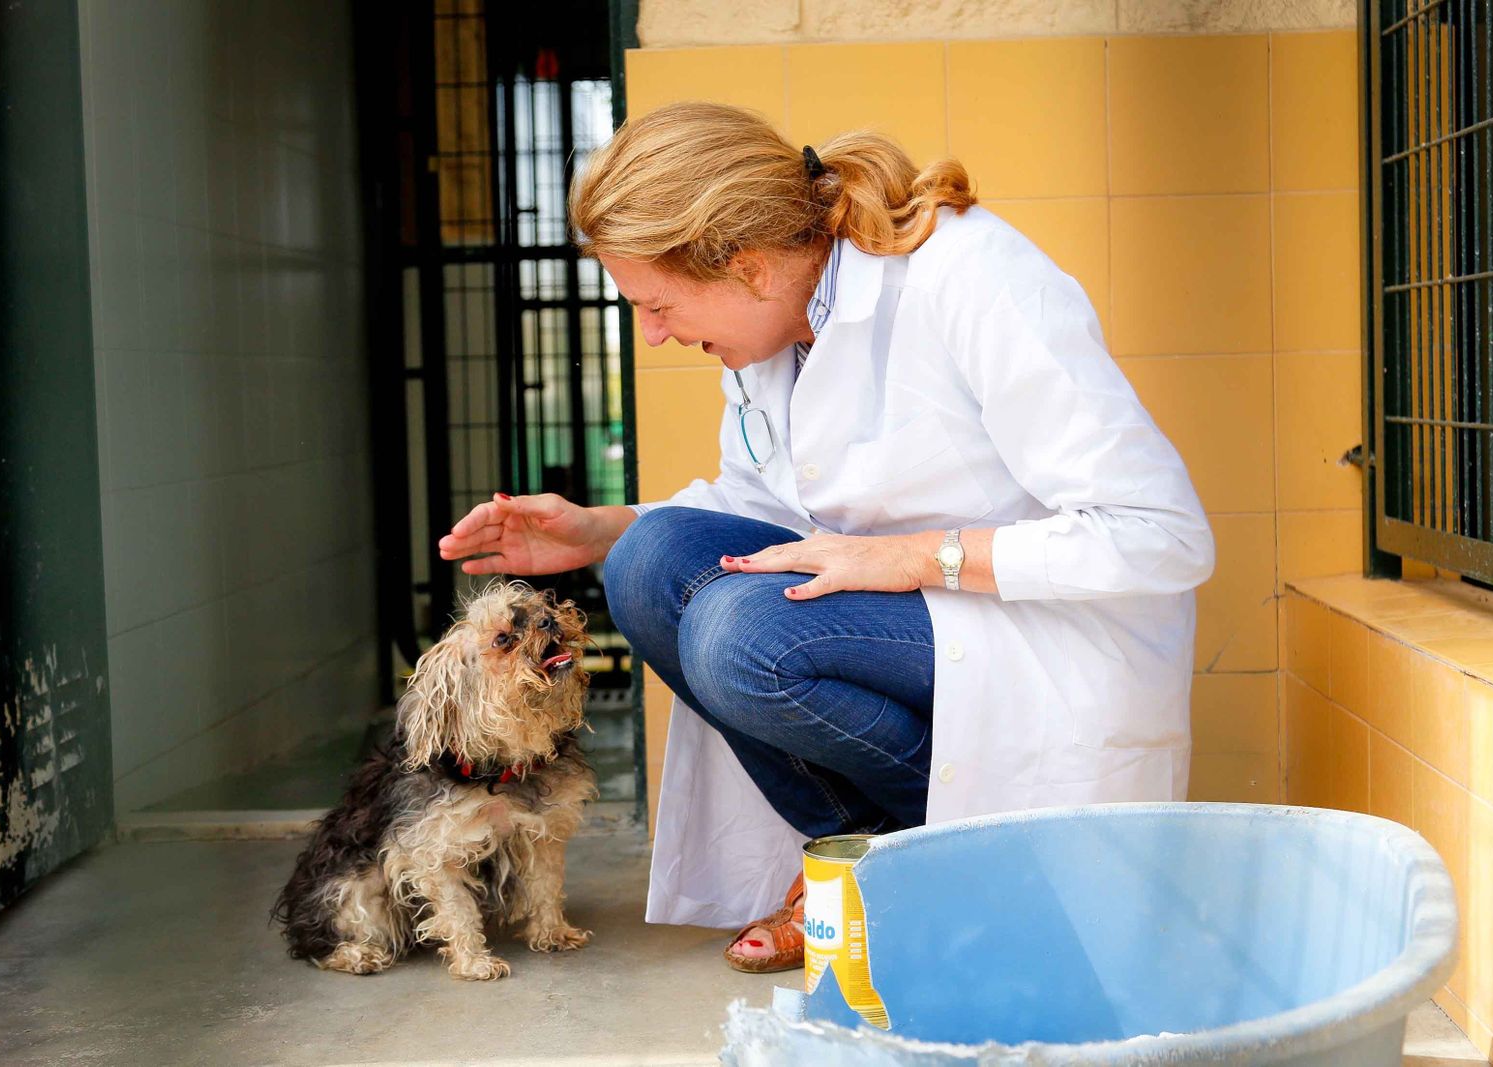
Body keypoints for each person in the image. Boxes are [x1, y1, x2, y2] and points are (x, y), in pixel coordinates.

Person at [438, 101, 1215, 973]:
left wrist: (908, 557)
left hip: (1039, 629)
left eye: (656, 305)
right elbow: (763, 503)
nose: (653, 333)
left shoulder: (971, 278)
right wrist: (602, 530)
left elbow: (1161, 535)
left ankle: (951, 868)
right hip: (912, 621)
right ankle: (877, 859)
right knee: (648, 568)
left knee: (740, 637)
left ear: (748, 266)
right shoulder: (780, 328)